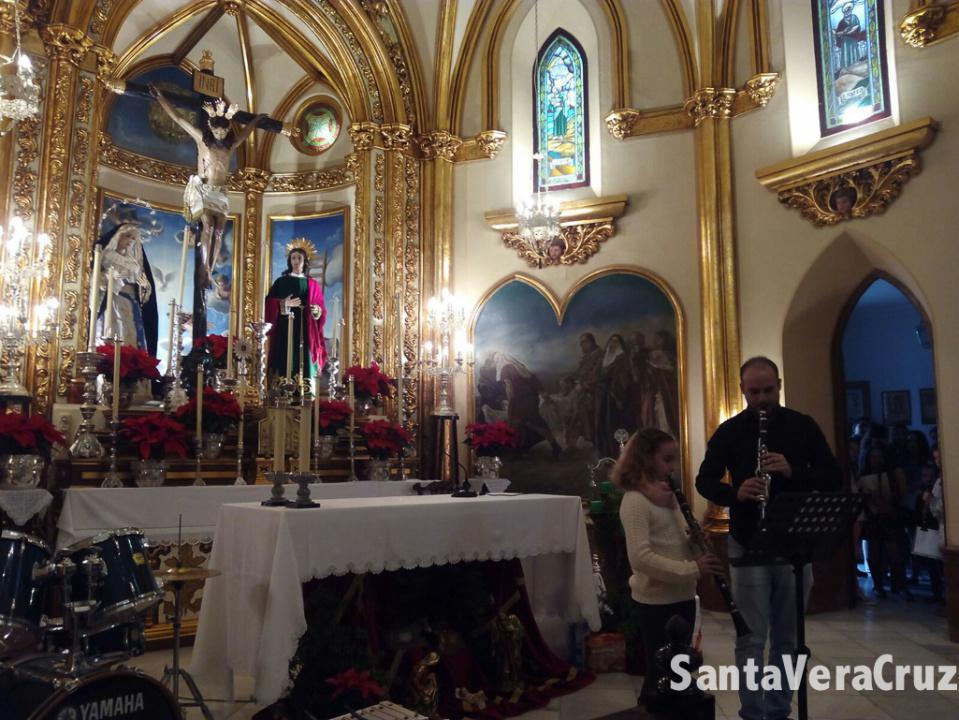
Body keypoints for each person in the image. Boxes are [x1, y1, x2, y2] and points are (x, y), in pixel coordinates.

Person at [695, 356, 840, 720]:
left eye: (768, 390)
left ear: (779, 384)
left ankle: (778, 711)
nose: (762, 398)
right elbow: (705, 480)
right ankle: (752, 713)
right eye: (754, 391)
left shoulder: (802, 427)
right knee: (751, 637)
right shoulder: (730, 431)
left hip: (794, 544)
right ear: (742, 390)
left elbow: (832, 475)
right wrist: (735, 493)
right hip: (748, 541)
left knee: (788, 639)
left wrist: (794, 470)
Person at [613, 427, 722, 706]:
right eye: (667, 459)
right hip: (656, 601)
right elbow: (640, 558)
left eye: (674, 459)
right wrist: (692, 568)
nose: (673, 467)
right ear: (646, 459)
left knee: (679, 674)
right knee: (660, 675)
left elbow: (676, 543)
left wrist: (697, 541)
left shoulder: (669, 495)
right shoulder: (635, 500)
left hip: (682, 595)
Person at [150, 85, 266, 290]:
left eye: (224, 130)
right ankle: (204, 267)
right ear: (211, 128)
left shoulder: (230, 146)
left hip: (220, 193)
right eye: (217, 129)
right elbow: (179, 119)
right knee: (209, 227)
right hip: (204, 192)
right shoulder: (201, 140)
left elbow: (246, 132)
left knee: (219, 232)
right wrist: (161, 98)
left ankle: (209, 270)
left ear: (228, 129)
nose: (220, 133)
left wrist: (255, 121)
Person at [265, 244, 327, 384]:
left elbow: (320, 307)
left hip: (305, 327)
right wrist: (284, 304)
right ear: (290, 261)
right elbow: (269, 302)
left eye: (299, 258)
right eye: (293, 258)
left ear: (305, 261)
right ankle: (282, 389)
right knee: (285, 354)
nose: (296, 260)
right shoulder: (281, 282)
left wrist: (317, 311)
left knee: (304, 355)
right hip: (285, 327)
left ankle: (305, 389)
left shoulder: (312, 284)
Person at [858, 438, 910, 599]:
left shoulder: (892, 474)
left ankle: (899, 583)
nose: (876, 460)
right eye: (873, 457)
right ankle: (878, 585)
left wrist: (890, 503)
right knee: (874, 553)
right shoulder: (864, 475)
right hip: (873, 516)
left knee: (894, 551)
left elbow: (901, 494)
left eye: (879, 456)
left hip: (889, 515)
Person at [96, 223, 158, 356]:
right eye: (127, 236)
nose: (130, 240)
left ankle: (129, 366)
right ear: (118, 237)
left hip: (132, 305)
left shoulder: (134, 263)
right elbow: (96, 278)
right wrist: (109, 277)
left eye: (133, 238)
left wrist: (144, 287)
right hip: (113, 301)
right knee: (115, 331)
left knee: (131, 336)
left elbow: (144, 288)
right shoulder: (107, 256)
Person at [595, 333, 633, 457]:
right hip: (605, 396)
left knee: (617, 423)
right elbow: (600, 375)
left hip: (617, 395)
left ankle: (619, 453)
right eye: (611, 341)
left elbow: (623, 378)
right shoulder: (605, 358)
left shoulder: (622, 357)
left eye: (616, 341)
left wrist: (618, 395)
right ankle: (607, 452)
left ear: (620, 344)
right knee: (605, 423)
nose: (612, 344)